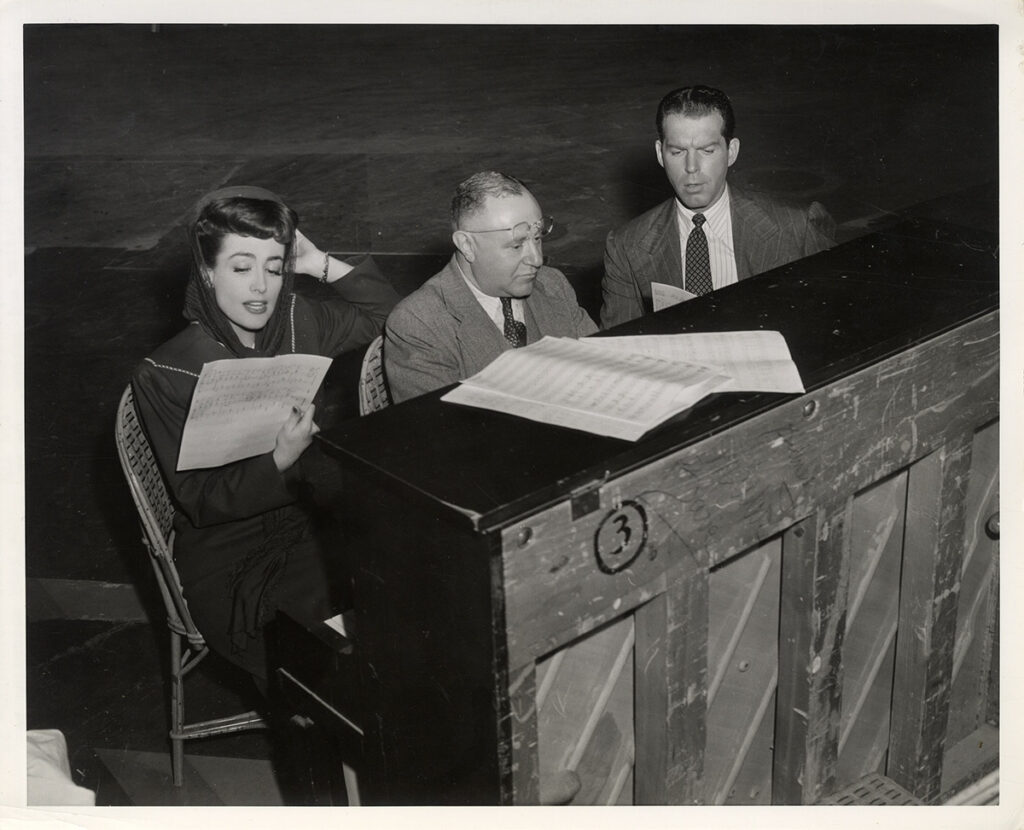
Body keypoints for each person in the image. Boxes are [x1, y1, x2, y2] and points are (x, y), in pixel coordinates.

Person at [132, 185, 399, 681]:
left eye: (274, 268)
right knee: (340, 659)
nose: (260, 286)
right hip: (231, 556)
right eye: (241, 267)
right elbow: (198, 501)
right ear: (208, 272)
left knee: (401, 594)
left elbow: (394, 321)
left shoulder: (301, 320)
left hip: (311, 516)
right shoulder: (166, 370)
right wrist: (278, 459)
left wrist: (318, 263)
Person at [600, 85, 836, 329]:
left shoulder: (797, 228)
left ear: (731, 152)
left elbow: (833, 323)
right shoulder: (626, 247)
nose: (692, 167)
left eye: (707, 150)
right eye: (678, 151)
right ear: (661, 154)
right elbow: (618, 351)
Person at [384, 171, 598, 403]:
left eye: (537, 239)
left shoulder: (552, 284)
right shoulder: (418, 323)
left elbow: (603, 371)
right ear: (467, 245)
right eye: (516, 246)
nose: (536, 259)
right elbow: (440, 432)